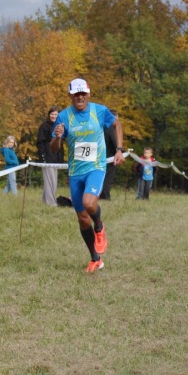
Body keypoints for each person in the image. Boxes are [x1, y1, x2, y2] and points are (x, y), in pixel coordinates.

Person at [51, 78, 125, 273]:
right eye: (76, 94)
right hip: (75, 172)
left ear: (88, 94)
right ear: (71, 96)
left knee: (89, 203)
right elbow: (54, 147)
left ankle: (100, 227)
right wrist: (58, 137)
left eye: (82, 93)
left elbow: (117, 125)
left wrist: (119, 149)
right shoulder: (64, 117)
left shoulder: (99, 111)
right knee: (83, 219)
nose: (80, 97)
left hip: (96, 167)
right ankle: (95, 259)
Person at [37, 106, 64, 206]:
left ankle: (44, 201)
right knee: (50, 182)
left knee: (53, 182)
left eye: (56, 114)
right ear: (49, 115)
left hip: (55, 159)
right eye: (52, 114)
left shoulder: (60, 127)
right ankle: (51, 203)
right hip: (47, 158)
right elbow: (40, 143)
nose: (54, 116)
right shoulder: (44, 126)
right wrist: (43, 157)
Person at [100, 114, 119, 200]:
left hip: (99, 157)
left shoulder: (100, 127)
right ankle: (105, 196)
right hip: (110, 157)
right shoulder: (110, 128)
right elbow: (115, 143)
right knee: (108, 178)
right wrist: (120, 151)